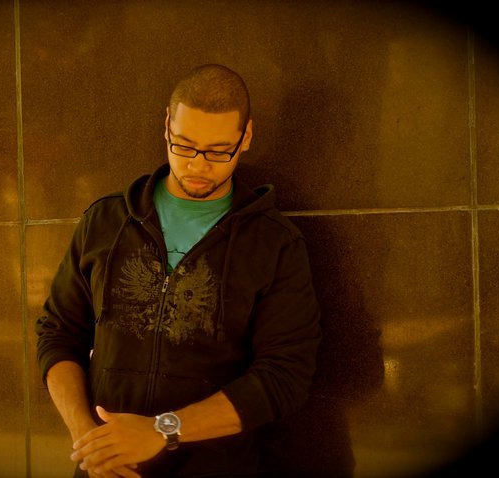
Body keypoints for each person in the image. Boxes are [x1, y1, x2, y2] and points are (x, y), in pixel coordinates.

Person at [36, 64, 321, 478]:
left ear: (246, 137)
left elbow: (285, 374)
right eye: (184, 146)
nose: (198, 165)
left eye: (218, 151)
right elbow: (58, 333)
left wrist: (163, 429)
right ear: (167, 124)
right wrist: (89, 439)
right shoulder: (105, 222)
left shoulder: (275, 243)